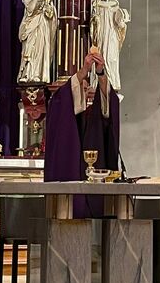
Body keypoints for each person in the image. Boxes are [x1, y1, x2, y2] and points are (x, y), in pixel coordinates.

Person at [44, 49, 120, 218]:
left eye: (86, 89)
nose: (84, 93)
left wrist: (100, 73)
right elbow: (61, 98)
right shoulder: (63, 112)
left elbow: (109, 105)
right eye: (80, 89)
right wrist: (84, 71)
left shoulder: (95, 116)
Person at [17, 0, 58, 84]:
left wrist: (48, 5)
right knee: (28, 49)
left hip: (41, 25)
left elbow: (50, 14)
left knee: (39, 49)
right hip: (29, 26)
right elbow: (30, 9)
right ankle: (26, 74)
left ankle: (37, 74)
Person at [90, 0, 130, 92]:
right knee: (101, 55)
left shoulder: (115, 6)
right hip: (102, 34)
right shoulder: (97, 5)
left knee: (112, 58)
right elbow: (93, 22)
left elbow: (119, 22)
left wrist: (122, 23)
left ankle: (112, 81)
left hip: (112, 35)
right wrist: (95, 20)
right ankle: (99, 81)